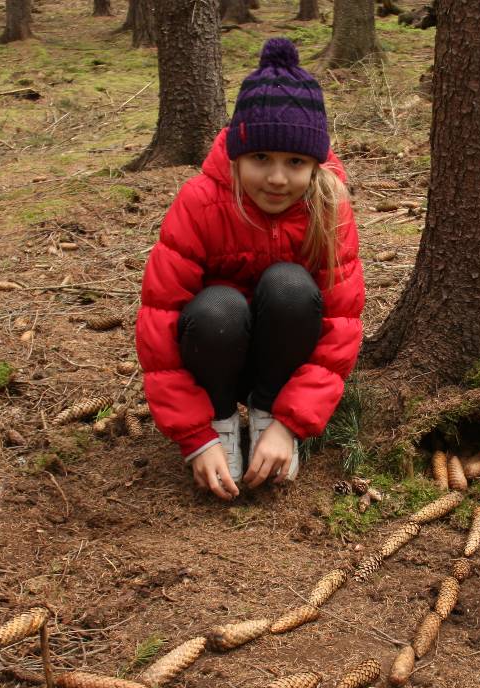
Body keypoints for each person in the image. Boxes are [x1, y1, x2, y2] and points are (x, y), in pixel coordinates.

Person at [135, 37, 364, 501]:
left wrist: (290, 421)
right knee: (217, 306)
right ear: (236, 155)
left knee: (290, 287)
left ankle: (267, 417)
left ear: (315, 165)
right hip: (214, 357)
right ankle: (221, 422)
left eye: (295, 162)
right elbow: (160, 323)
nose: (277, 178)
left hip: (283, 364)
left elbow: (341, 324)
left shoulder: (328, 207)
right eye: (261, 158)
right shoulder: (200, 202)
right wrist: (195, 434)